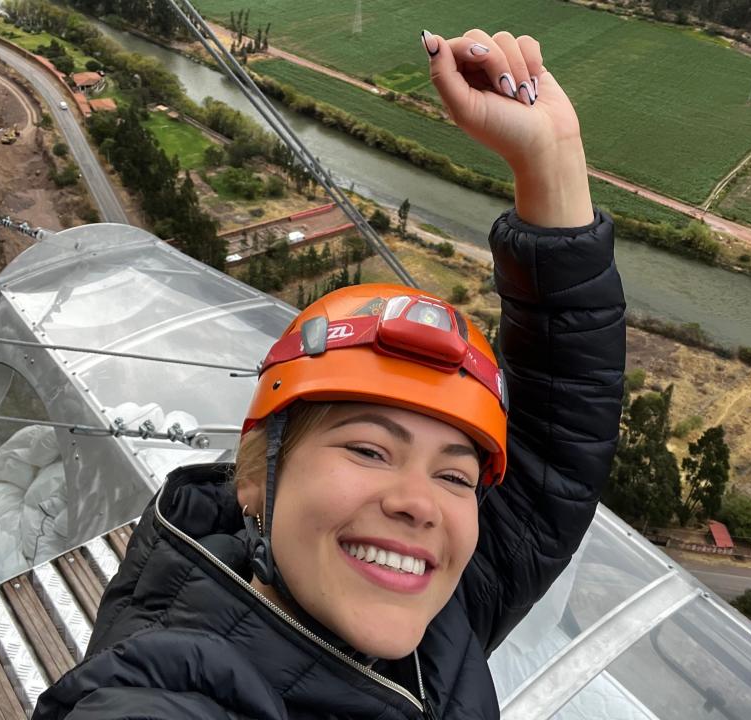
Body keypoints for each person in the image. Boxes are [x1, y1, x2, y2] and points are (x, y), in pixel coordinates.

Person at [33, 28, 625, 719]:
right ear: (254, 478)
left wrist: (549, 162)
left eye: (455, 475)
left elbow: (555, 453)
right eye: (370, 449)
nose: (419, 502)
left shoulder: (437, 629)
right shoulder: (173, 687)